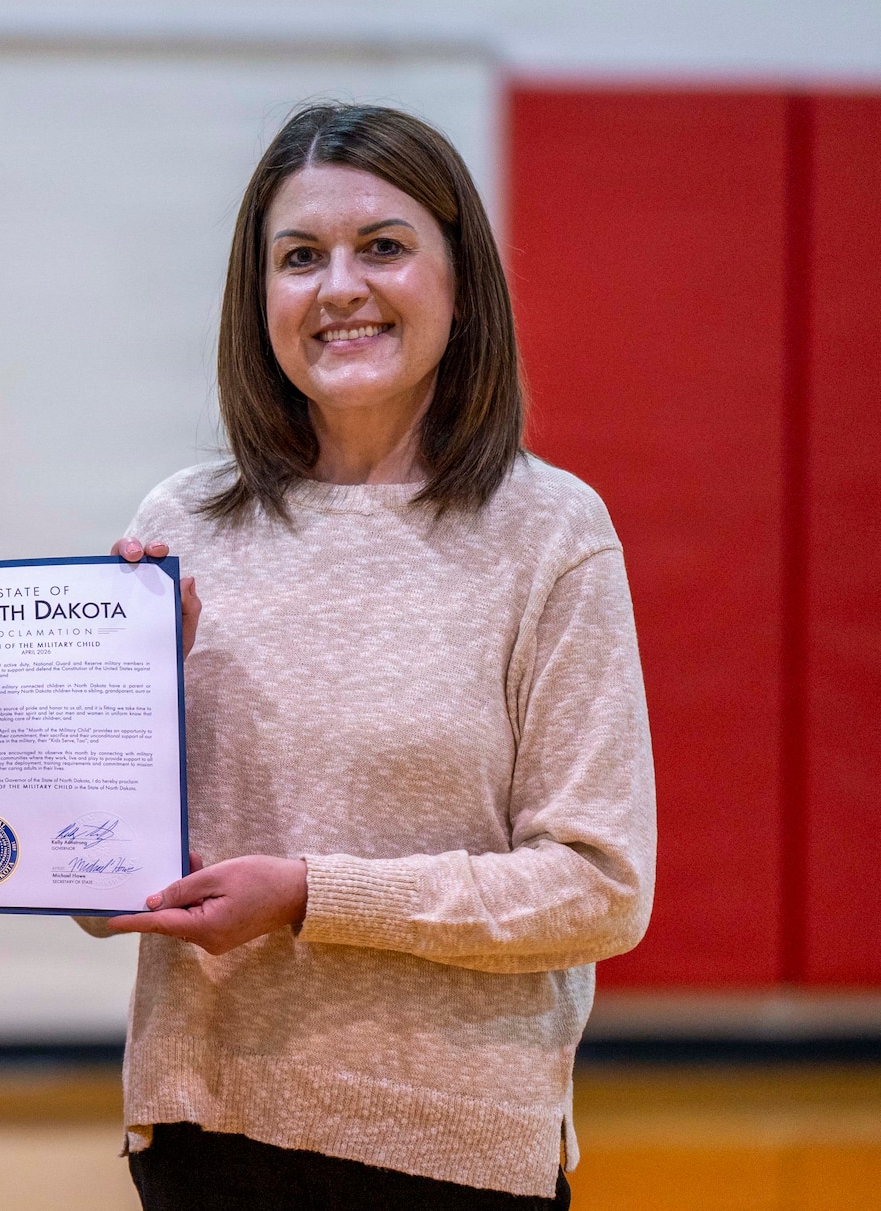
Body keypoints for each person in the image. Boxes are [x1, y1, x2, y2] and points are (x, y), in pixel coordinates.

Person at [89, 103, 655, 1209]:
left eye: (381, 246)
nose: (337, 286)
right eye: (299, 257)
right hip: (202, 1129)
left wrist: (310, 895)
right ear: (258, 299)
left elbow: (599, 888)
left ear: (460, 278)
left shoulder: (550, 531)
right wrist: (108, 745)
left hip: (453, 1150)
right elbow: (112, 869)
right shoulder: (178, 526)